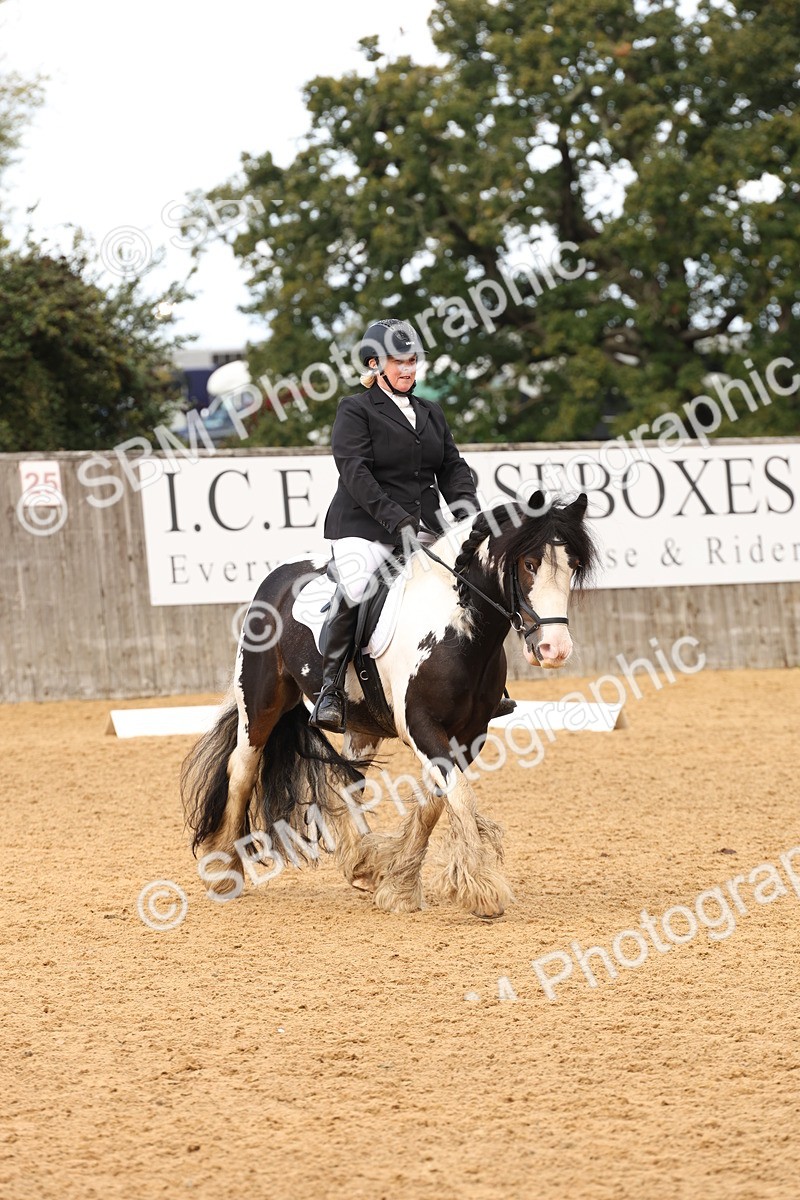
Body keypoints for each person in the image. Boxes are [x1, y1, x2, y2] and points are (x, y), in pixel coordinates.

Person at [308, 317, 481, 733]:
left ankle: (485, 683)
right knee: (356, 587)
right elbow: (356, 473)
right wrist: (395, 518)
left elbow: (452, 467)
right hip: (365, 526)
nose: (407, 369)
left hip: (422, 524)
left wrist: (466, 513)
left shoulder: (430, 412)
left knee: (473, 581)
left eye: (412, 361)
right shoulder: (356, 410)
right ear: (375, 364)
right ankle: (330, 689)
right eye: (398, 362)